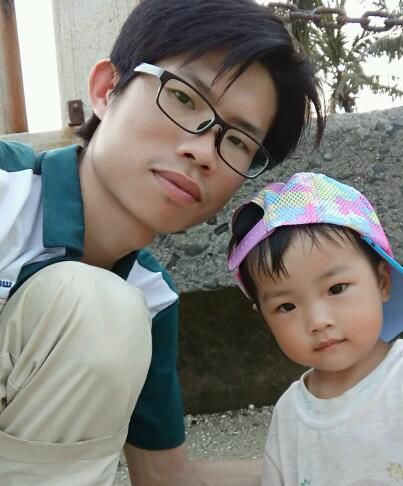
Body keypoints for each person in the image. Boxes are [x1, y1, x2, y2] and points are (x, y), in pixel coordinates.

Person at [0, 0, 325, 484]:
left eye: (238, 141)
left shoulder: (148, 299)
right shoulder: (7, 187)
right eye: (184, 98)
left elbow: (165, 477)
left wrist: (334, 467)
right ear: (106, 90)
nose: (205, 151)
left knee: (104, 307)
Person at [227, 172, 403, 485]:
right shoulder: (289, 414)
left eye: (336, 289)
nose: (318, 321)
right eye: (286, 306)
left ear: (382, 282)